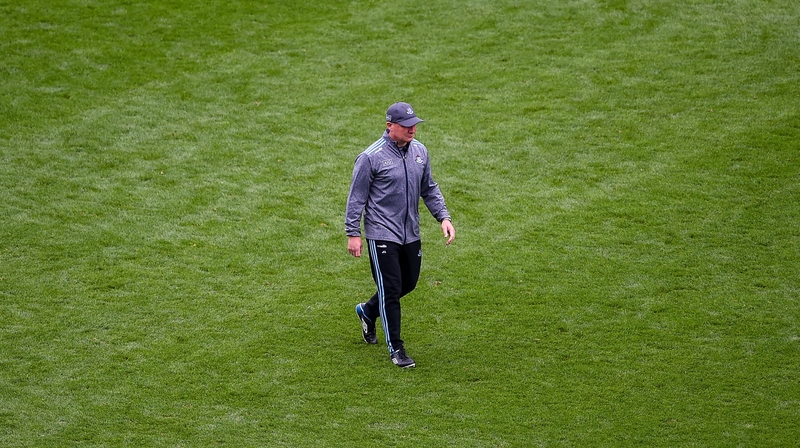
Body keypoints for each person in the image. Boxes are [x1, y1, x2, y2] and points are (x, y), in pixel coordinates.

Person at [345, 101, 455, 368]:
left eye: (414, 124)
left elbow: (428, 188)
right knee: (392, 289)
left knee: (409, 283)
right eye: (406, 125)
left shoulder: (420, 152)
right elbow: (356, 198)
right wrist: (353, 233)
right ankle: (396, 349)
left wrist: (444, 217)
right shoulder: (370, 157)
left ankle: (368, 311)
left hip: (410, 233)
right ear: (389, 126)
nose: (412, 129)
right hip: (381, 233)